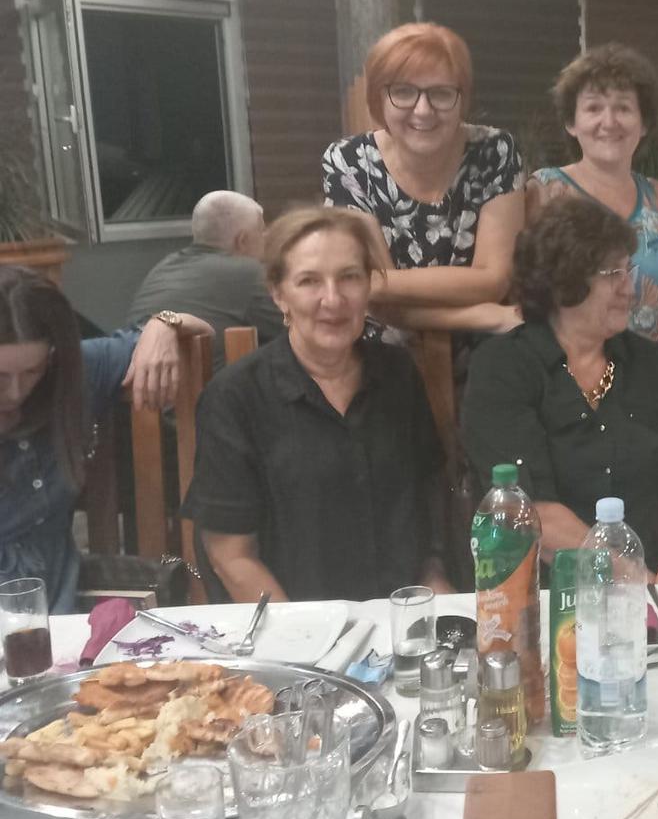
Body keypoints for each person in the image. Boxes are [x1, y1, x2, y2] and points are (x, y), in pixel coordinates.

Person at [184, 208, 454, 602]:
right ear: (279, 294)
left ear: (368, 285)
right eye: (309, 281)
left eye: (349, 277)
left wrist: (435, 586)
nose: (333, 299)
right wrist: (303, 633)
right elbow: (231, 558)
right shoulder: (235, 397)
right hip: (289, 624)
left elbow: (427, 509)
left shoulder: (398, 374)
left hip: (400, 618)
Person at [463, 198, 658, 583]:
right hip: (540, 593)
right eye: (613, 274)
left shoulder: (651, 364)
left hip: (650, 584)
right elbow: (529, 510)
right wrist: (632, 577)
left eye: (628, 270)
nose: (630, 288)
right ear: (563, 282)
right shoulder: (502, 368)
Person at [1, 266, 210, 613]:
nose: (15, 391)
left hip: (58, 616)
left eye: (31, 371)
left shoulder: (74, 373)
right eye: (0, 376)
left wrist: (163, 324)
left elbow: (202, 332)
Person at [321, 22, 523, 333]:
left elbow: (494, 281)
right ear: (378, 98)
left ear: (462, 99)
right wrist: (484, 316)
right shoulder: (348, 161)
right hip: (386, 348)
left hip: (487, 345)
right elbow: (373, 300)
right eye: (403, 92)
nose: (423, 110)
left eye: (441, 93)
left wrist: (378, 283)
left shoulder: (495, 151)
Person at [525, 43, 658, 346]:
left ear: (644, 123)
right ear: (571, 122)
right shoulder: (544, 192)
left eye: (623, 108)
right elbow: (523, 300)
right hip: (570, 370)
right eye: (594, 108)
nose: (609, 121)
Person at [126, 190, 284, 373]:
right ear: (242, 241)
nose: (266, 238)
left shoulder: (163, 267)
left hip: (138, 386)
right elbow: (299, 332)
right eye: (262, 231)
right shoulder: (249, 273)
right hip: (209, 389)